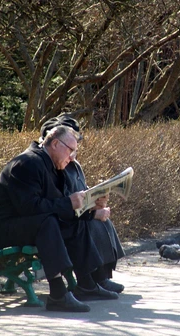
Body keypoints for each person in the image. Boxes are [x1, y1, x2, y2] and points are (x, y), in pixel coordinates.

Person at [0, 125, 119, 313]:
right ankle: (57, 294)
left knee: (71, 221)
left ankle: (86, 284)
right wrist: (68, 203)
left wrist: (90, 207)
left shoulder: (53, 165)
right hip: (1, 228)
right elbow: (29, 208)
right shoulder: (27, 163)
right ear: (55, 143)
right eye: (71, 150)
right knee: (48, 223)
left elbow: (58, 205)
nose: (72, 157)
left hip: (27, 223)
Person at [39, 114, 126, 294]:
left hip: (75, 213)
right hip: (64, 219)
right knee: (90, 223)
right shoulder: (53, 166)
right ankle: (95, 279)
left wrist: (97, 201)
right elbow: (62, 200)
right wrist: (93, 213)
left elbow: (81, 192)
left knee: (103, 220)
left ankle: (102, 277)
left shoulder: (73, 164)